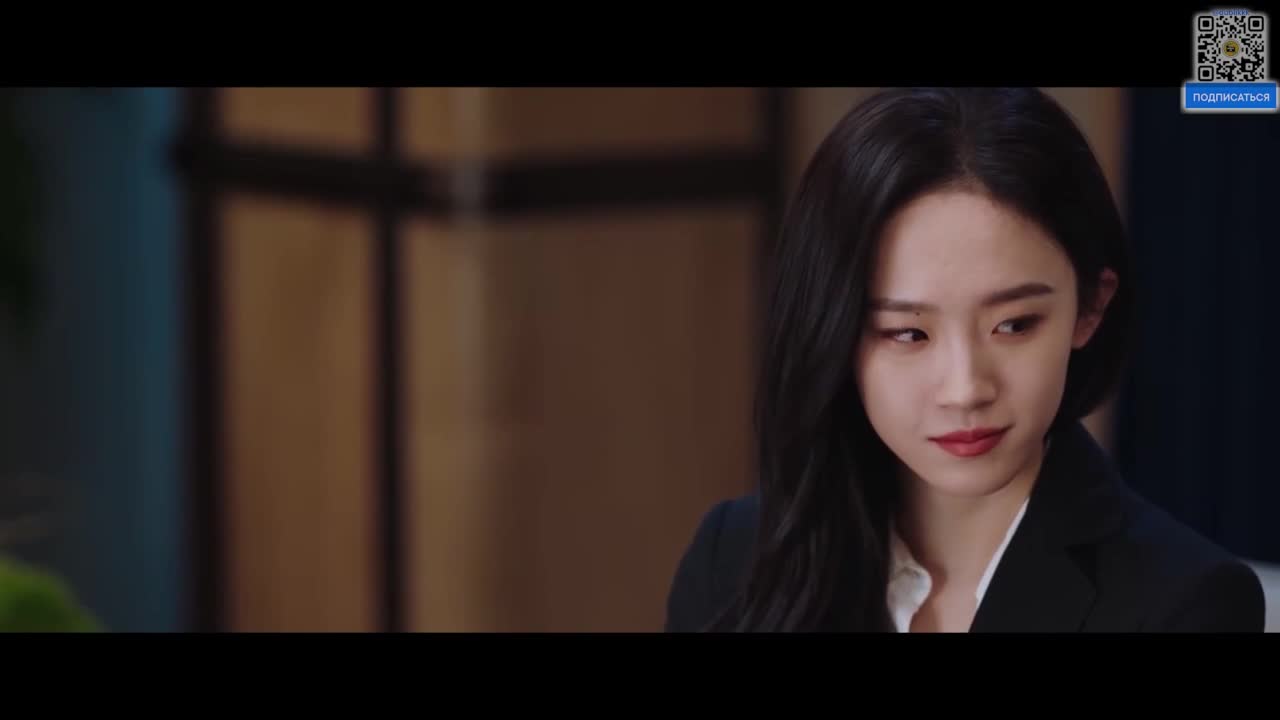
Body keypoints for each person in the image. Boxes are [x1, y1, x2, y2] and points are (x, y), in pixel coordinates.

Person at [664, 87, 1267, 633]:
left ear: (1090, 307)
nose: (965, 388)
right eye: (907, 333)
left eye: (1014, 325)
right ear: (835, 330)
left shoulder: (1184, 603)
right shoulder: (732, 561)